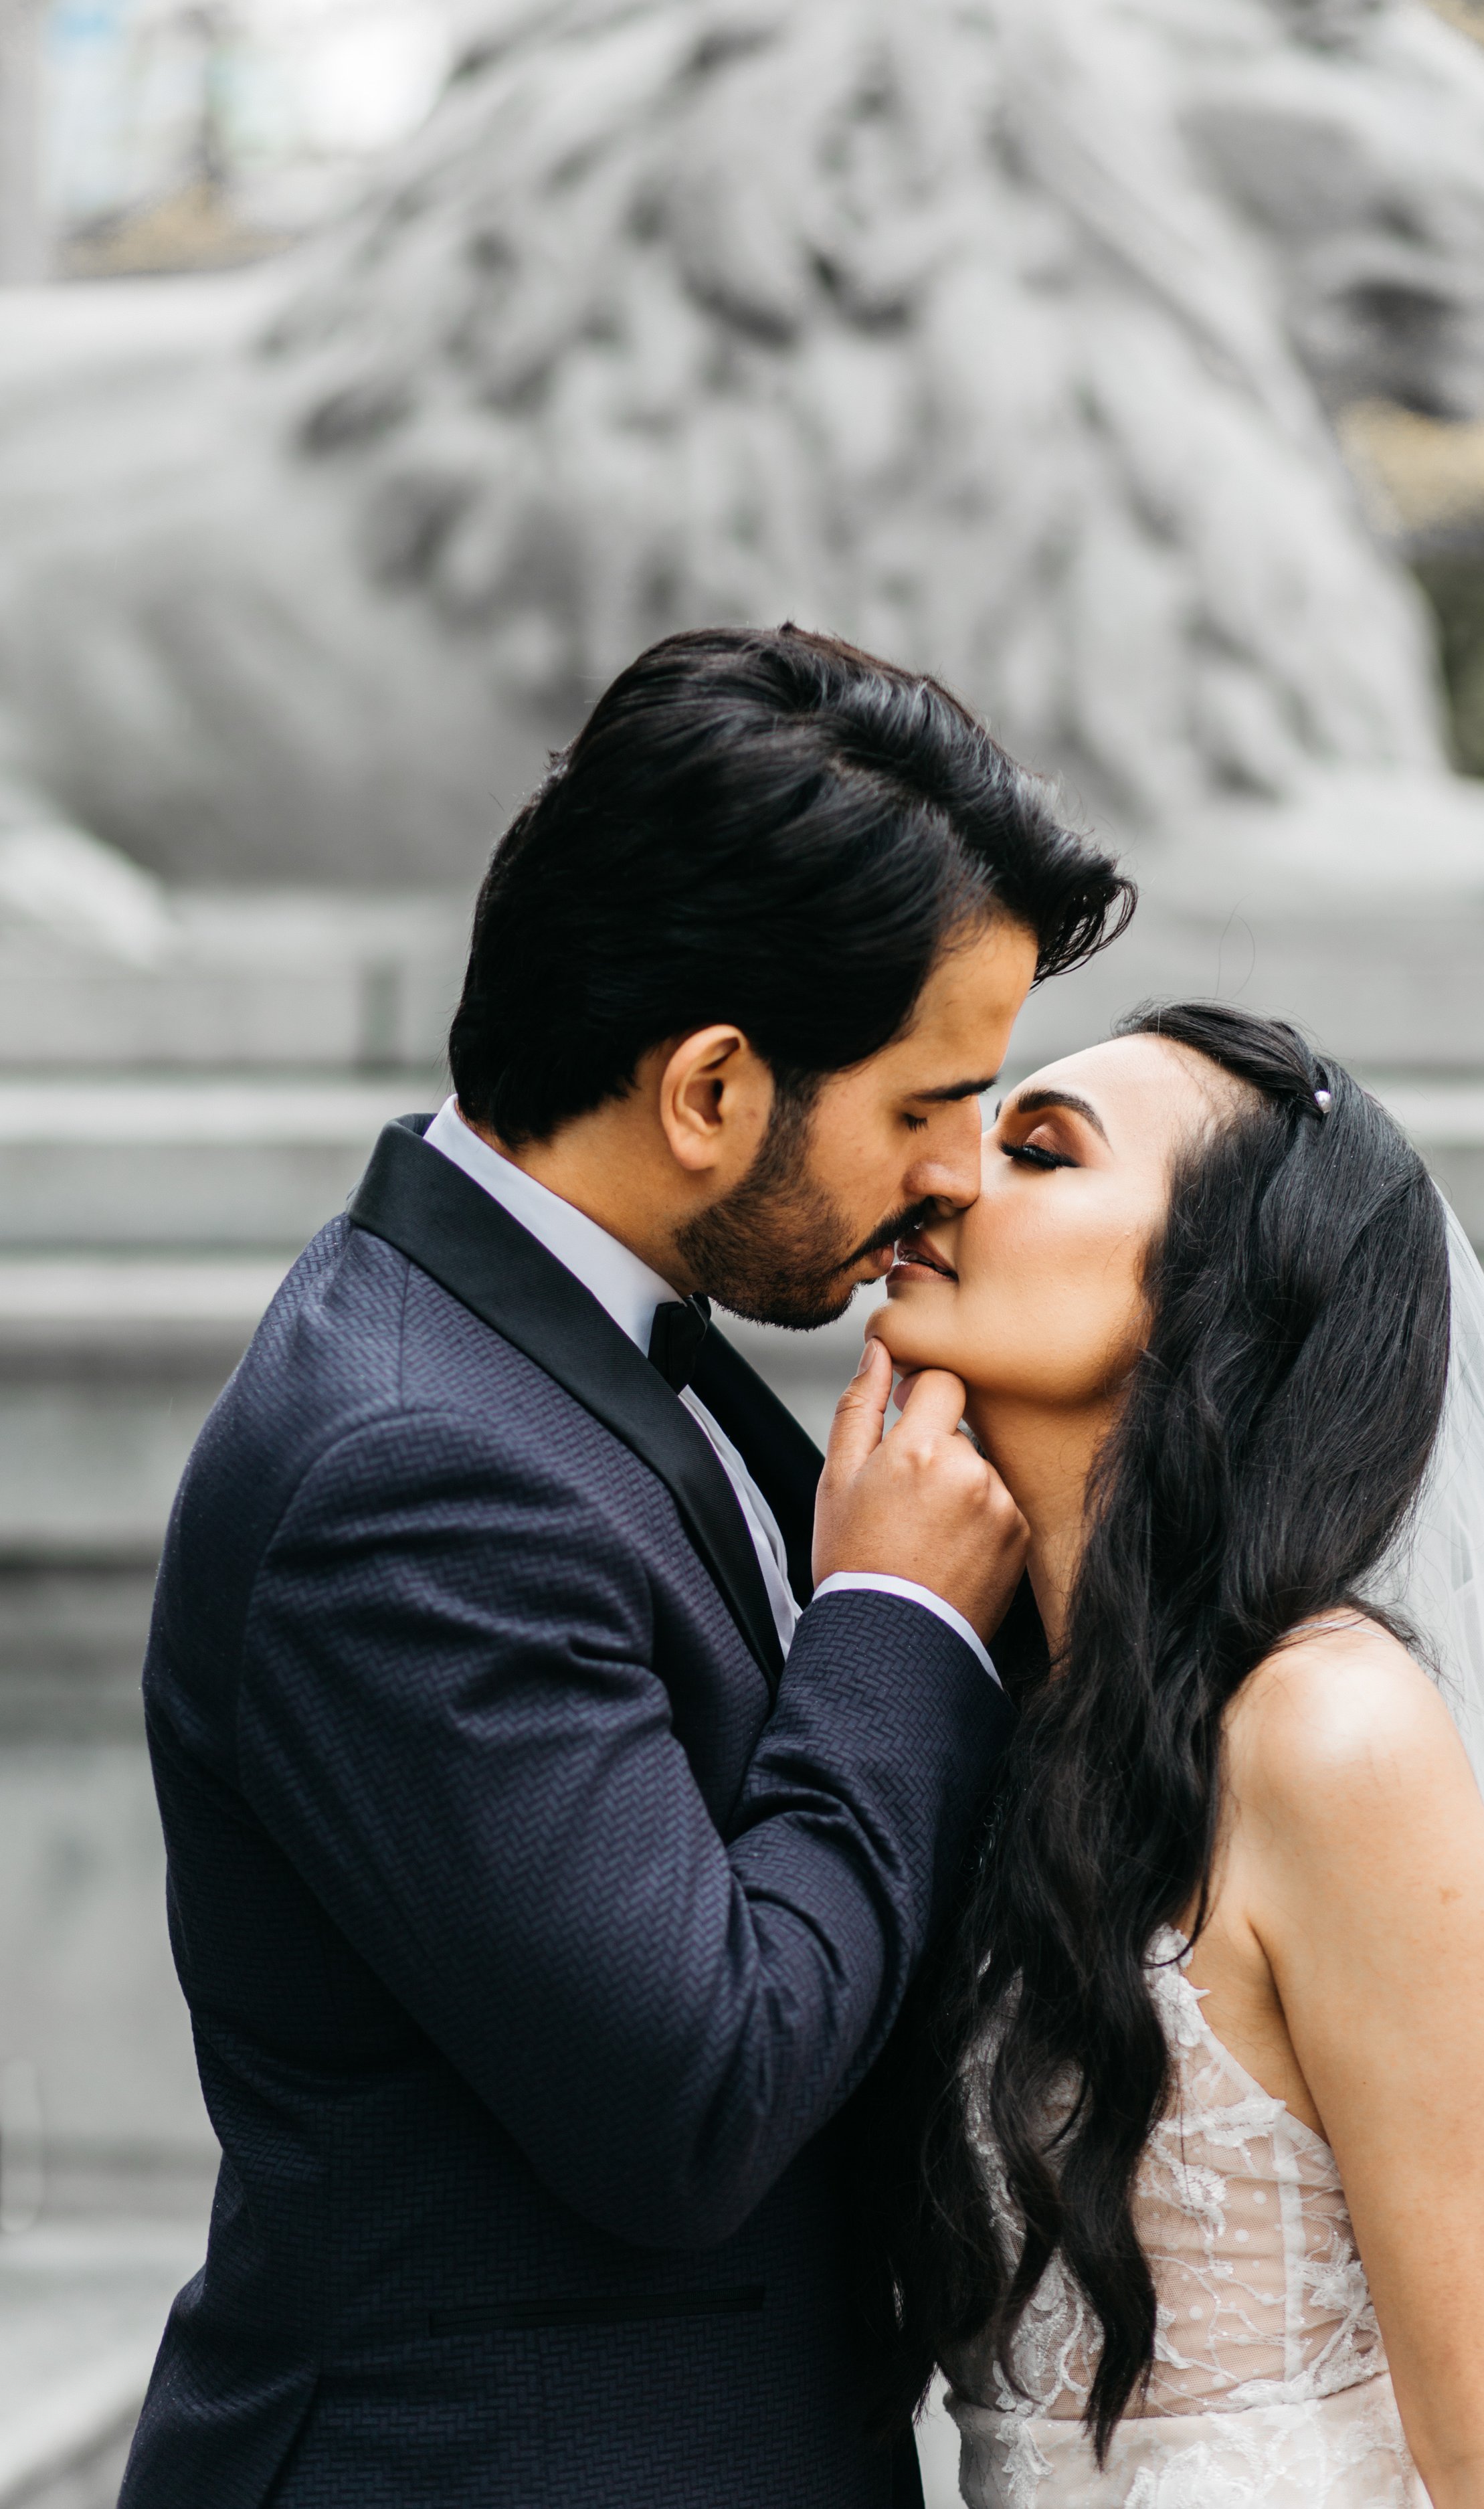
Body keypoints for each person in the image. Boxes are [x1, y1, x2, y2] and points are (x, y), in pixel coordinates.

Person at [118, 625, 1132, 2509]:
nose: (966, 1172)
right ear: (710, 1091)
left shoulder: (580, 1359)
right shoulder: (409, 1469)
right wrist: (896, 1620)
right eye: (926, 1102)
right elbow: (698, 2088)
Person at [871, 1001, 1484, 2509]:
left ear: (1209, 1300)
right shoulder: (1005, 1723)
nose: (945, 1174)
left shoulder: (1326, 1734)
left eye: (1036, 1151)